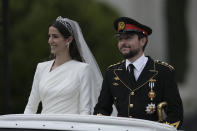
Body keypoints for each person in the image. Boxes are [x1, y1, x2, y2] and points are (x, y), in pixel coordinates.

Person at [94, 17, 183, 129]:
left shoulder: (163, 71)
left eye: (128, 38)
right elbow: (102, 109)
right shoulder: (112, 72)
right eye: (120, 39)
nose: (123, 43)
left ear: (143, 41)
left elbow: (176, 114)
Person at [24, 16, 102, 114]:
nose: (50, 41)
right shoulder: (41, 68)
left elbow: (85, 110)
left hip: (69, 127)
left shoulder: (83, 69)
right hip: (43, 126)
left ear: (68, 40)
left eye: (55, 36)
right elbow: (31, 107)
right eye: (49, 36)